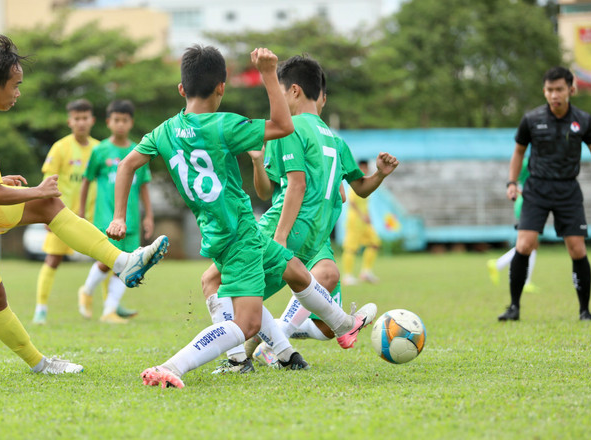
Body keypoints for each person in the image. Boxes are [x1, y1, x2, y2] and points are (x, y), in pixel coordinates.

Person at [107, 45, 370, 388]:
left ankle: (341, 325)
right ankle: (174, 365)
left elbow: (127, 165)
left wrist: (119, 217)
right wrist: (267, 73)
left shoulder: (164, 131)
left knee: (293, 269)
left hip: (220, 231)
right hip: (239, 236)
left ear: (182, 89)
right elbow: (283, 125)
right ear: (222, 87)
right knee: (245, 325)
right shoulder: (224, 126)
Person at [0, 34, 169, 375]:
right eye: (15, 85)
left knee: (49, 208)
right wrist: (36, 189)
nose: (19, 93)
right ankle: (40, 364)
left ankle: (124, 262)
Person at [202, 56, 393, 373]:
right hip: (316, 234)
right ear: (322, 96)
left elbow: (296, 184)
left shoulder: (289, 129)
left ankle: (238, 360)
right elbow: (358, 188)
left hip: (285, 225)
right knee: (245, 291)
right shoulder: (335, 138)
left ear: (292, 91)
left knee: (216, 280)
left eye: (277, 90)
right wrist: (381, 175)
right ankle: (289, 354)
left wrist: (279, 236)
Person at [498, 66, 591, 322]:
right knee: (524, 244)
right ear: (544, 91)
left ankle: (585, 311)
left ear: (571, 89)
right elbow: (518, 153)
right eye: (549, 90)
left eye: (559, 89)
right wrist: (512, 182)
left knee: (577, 249)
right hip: (536, 189)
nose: (554, 95)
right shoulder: (531, 119)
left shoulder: (584, 121)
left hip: (568, 190)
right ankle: (514, 307)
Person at [78, 100, 153, 324]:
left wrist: (148, 215)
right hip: (106, 217)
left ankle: (109, 310)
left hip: (131, 218)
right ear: (108, 122)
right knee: (106, 261)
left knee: (128, 266)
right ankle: (87, 290)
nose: (120, 124)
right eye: (116, 120)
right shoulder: (100, 150)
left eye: (125, 120)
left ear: (131, 123)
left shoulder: (138, 151)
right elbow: (86, 181)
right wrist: (81, 212)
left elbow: (143, 185)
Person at [32, 99, 99, 324]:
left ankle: (109, 307)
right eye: (77, 118)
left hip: (93, 215)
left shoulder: (99, 148)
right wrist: (45, 211)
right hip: (63, 215)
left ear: (92, 120)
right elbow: (47, 181)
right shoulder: (60, 147)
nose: (81, 123)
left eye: (85, 118)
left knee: (106, 259)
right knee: (53, 259)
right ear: (70, 121)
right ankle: (40, 308)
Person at [487, 157, 538, 292]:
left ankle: (525, 280)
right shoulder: (529, 162)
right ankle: (499, 265)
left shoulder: (530, 161)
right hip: (527, 204)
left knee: (531, 244)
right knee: (527, 244)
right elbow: (518, 181)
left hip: (528, 203)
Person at [341, 159, 382, 285]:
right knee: (351, 248)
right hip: (355, 221)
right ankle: (347, 275)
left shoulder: (366, 184)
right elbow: (352, 202)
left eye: (366, 168)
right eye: (362, 168)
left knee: (375, 243)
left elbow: (365, 204)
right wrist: (362, 215)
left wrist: (368, 217)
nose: (365, 170)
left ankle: (366, 272)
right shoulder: (355, 182)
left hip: (364, 222)